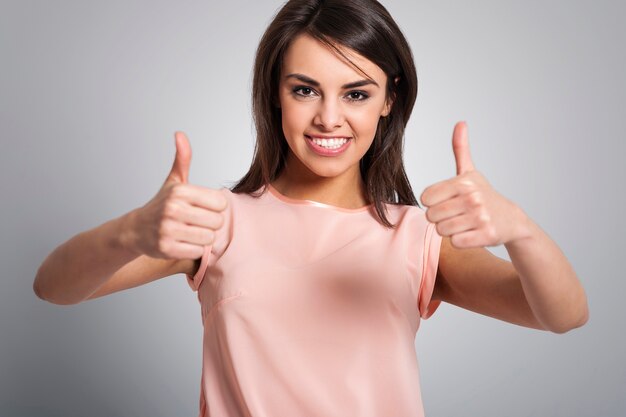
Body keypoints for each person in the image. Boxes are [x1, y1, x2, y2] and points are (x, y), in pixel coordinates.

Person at [33, 0, 589, 416]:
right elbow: (53, 288)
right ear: (275, 93)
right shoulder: (217, 221)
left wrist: (521, 230)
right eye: (305, 90)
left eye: (356, 93)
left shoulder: (417, 235)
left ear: (389, 100)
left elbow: (563, 316)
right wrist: (130, 232)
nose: (328, 118)